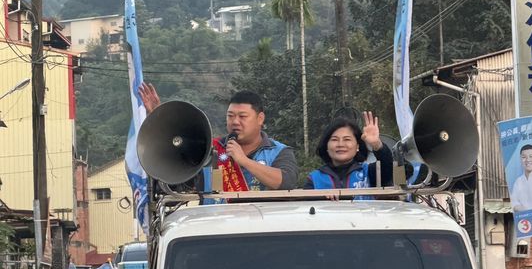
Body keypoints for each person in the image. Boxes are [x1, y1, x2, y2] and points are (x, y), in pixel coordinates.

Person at [139, 82, 298, 190]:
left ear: (260, 118)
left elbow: (287, 182)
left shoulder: (278, 152)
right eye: (230, 116)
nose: (235, 122)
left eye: (242, 116)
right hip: (217, 231)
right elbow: (175, 179)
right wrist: (157, 118)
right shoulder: (211, 150)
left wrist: (243, 161)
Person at [304, 112, 393, 190]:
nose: (340, 144)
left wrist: (376, 144)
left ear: (357, 146)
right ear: (326, 145)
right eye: (334, 139)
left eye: (347, 139)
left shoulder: (369, 172)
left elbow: (388, 167)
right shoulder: (314, 179)